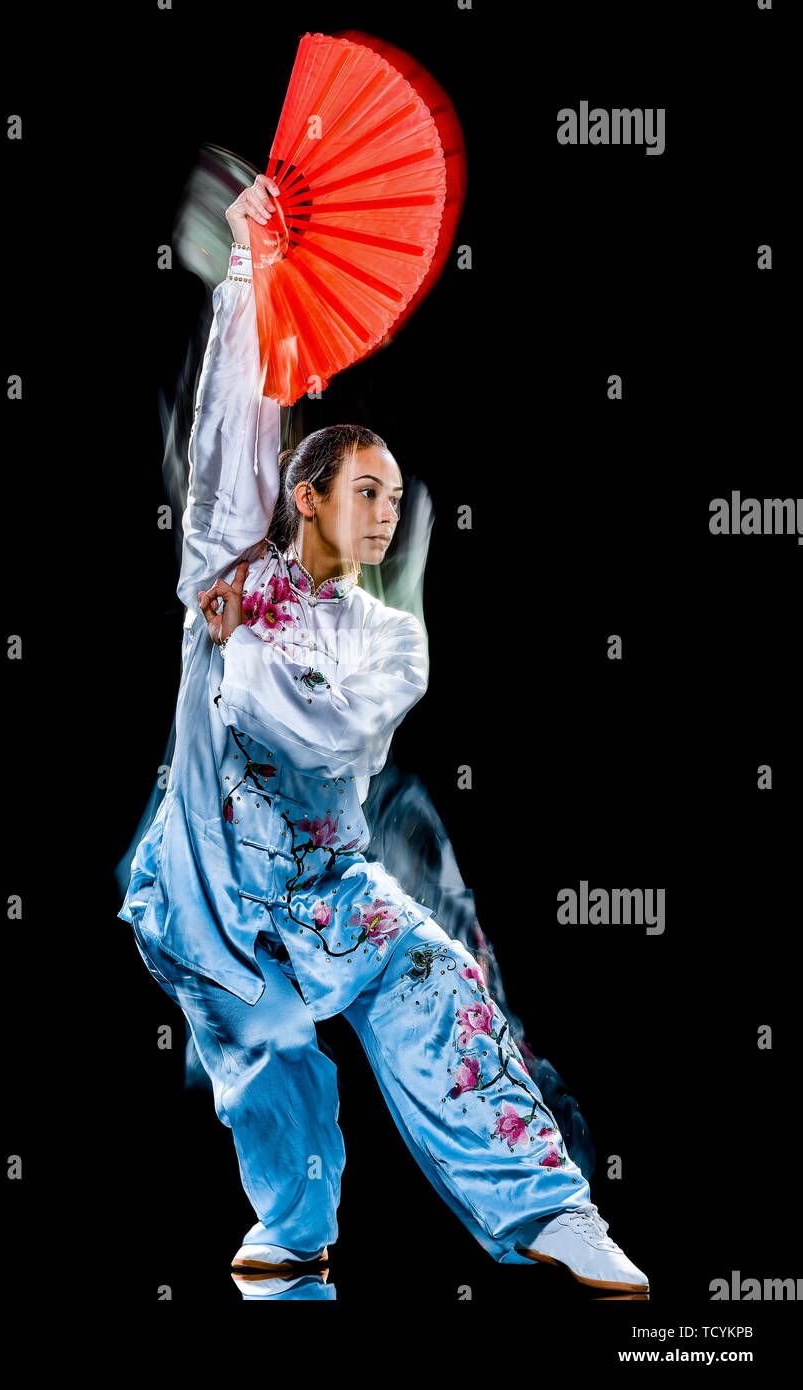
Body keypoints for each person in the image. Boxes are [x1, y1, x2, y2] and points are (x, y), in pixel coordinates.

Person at [118, 174, 649, 1293]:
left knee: (435, 980)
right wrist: (251, 280)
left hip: (325, 879)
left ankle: (552, 1206)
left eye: (394, 499)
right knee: (267, 1064)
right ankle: (290, 1235)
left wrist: (253, 660)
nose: (384, 512)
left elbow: (321, 731)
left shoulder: (386, 643)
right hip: (207, 879)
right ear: (303, 495)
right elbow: (227, 436)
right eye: (364, 489)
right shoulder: (225, 565)